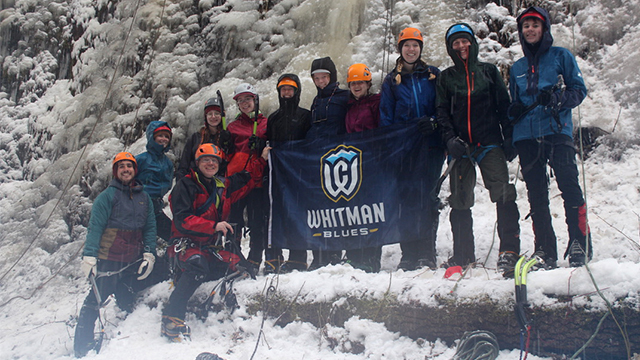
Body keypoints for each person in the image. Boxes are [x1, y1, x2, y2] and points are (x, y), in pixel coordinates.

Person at [509, 7, 591, 269]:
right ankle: (545, 248)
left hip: (557, 130)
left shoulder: (561, 56)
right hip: (527, 136)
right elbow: (514, 101)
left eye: (534, 25)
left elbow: (578, 91)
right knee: (536, 194)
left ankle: (580, 242)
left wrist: (558, 99)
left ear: (544, 28)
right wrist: (514, 111)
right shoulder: (517, 68)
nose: (530, 30)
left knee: (569, 185)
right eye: (525, 26)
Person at [436, 23, 521, 275]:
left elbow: (503, 105)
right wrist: (450, 139)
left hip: (489, 142)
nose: (461, 46)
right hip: (461, 147)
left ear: (472, 43)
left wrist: (509, 136)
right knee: (460, 200)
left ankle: (509, 251)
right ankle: (463, 254)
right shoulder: (446, 77)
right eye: (456, 43)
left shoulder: (488, 72)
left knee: (503, 193)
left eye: (465, 41)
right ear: (450, 48)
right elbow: (441, 112)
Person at [162, 143, 266, 341]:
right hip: (184, 244)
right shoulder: (185, 185)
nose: (210, 163)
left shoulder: (221, 186)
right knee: (197, 266)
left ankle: (202, 291)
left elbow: (247, 179)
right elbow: (182, 220)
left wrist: (261, 159)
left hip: (209, 246)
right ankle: (171, 316)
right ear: (198, 163)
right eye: (205, 160)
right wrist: (213, 226)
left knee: (240, 266)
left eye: (214, 160)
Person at [74, 152, 156, 357]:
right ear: (115, 171)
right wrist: (90, 256)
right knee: (95, 299)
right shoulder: (106, 197)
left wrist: (149, 253)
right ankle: (81, 345)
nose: (126, 169)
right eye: (121, 167)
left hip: (132, 258)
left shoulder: (144, 197)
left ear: (135, 170)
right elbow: (95, 227)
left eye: (129, 166)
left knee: (126, 293)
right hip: (109, 257)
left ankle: (128, 334)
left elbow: (150, 227)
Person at [380, 27, 445, 270]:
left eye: (415, 45)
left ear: (420, 48)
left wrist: (436, 123)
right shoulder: (391, 81)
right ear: (400, 49)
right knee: (405, 198)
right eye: (406, 45)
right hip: (404, 148)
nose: (411, 49)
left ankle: (427, 251)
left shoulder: (432, 75)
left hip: (430, 145)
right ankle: (409, 252)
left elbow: (442, 106)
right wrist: (392, 146)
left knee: (427, 196)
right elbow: (386, 117)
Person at [307, 56, 349, 268]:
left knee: (339, 206)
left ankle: (336, 252)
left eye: (324, 77)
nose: (321, 81)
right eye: (317, 77)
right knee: (320, 208)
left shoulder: (344, 96)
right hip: (320, 159)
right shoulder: (316, 101)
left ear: (331, 77)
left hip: (341, 159)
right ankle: (319, 255)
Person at [266, 73, 311, 272]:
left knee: (297, 213)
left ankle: (298, 257)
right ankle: (275, 256)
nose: (286, 93)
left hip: (299, 173)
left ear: (296, 91)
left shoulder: (305, 115)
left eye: (290, 89)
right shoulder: (273, 118)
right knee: (278, 213)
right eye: (283, 89)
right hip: (279, 174)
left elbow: (310, 143)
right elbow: (268, 142)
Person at [342, 63, 382, 272]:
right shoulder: (348, 106)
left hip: (372, 162)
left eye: (360, 83)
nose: (357, 86)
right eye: (353, 83)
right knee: (353, 209)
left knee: (371, 210)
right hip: (353, 164)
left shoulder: (377, 102)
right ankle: (353, 254)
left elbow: (384, 130)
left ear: (368, 83)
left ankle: (372, 257)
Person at [226, 83, 269, 270]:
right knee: (233, 220)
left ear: (255, 100)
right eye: (241, 100)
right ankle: (232, 256)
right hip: (238, 180)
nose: (245, 103)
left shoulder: (265, 123)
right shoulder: (232, 127)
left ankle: (254, 258)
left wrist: (260, 145)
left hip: (258, 180)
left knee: (256, 220)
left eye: (248, 99)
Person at [176, 97, 233, 180]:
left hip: (219, 182)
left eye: (217, 113)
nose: (213, 117)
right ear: (206, 117)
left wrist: (228, 143)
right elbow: (184, 164)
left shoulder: (227, 138)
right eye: (210, 114)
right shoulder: (196, 137)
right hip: (195, 181)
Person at [135, 121, 174, 242]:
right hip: (138, 206)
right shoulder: (140, 159)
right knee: (138, 239)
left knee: (173, 235)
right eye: (160, 135)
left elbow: (168, 185)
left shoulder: (167, 162)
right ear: (152, 137)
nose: (164, 139)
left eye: (167, 136)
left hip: (156, 207)